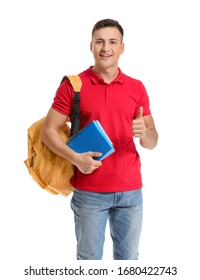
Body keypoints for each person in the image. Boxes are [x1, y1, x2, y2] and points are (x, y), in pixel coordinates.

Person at [41, 18, 158, 260]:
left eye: (113, 42)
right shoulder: (74, 86)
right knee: (89, 262)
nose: (106, 48)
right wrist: (75, 158)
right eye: (100, 42)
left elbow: (152, 141)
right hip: (89, 191)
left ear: (122, 47)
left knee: (129, 262)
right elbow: (48, 131)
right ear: (91, 46)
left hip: (131, 191)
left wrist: (144, 133)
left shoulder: (137, 88)